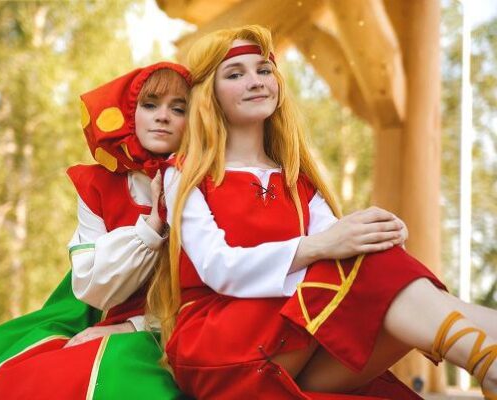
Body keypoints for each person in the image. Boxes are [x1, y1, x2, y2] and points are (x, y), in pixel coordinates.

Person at [147, 25, 497, 400]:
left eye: (264, 70)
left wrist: (373, 234)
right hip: (219, 345)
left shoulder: (299, 180)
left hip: (293, 349)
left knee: (372, 256)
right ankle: (487, 363)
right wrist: (322, 245)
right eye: (235, 74)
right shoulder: (183, 174)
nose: (256, 81)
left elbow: (346, 257)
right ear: (208, 94)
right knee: (362, 261)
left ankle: (488, 362)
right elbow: (218, 268)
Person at [0, 62, 191, 400]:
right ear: (130, 113)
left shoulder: (205, 183)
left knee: (122, 382)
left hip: (170, 322)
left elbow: (206, 288)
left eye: (178, 109)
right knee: (3, 367)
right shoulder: (97, 184)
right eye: (150, 105)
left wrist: (132, 326)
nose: (163, 116)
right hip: (90, 308)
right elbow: (93, 288)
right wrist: (153, 226)